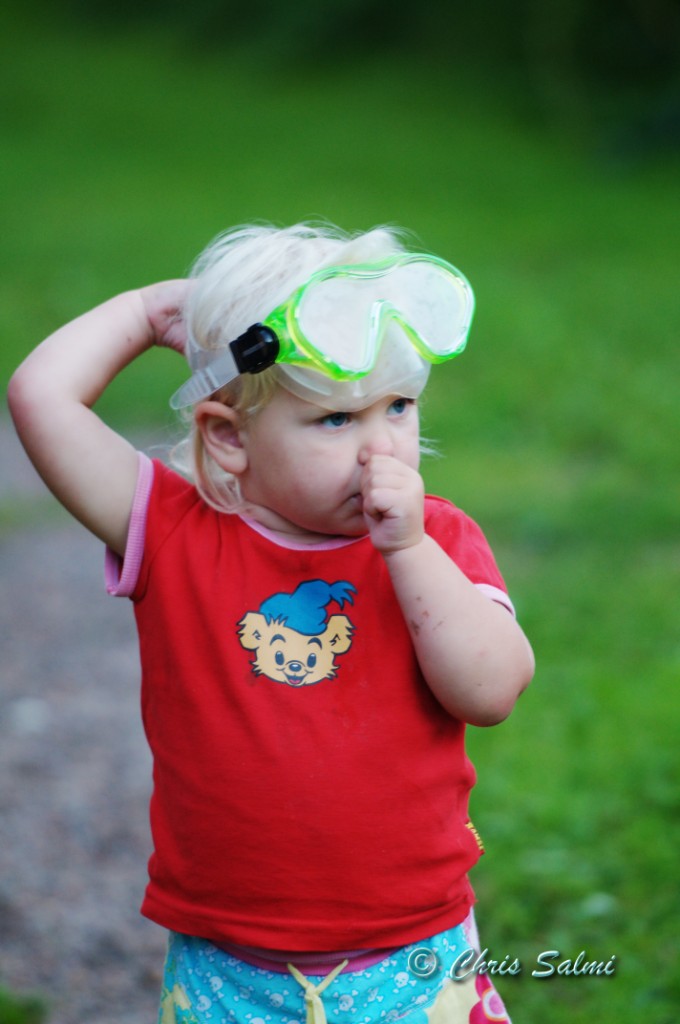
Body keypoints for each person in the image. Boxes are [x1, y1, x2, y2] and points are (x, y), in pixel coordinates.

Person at [8, 222, 534, 1024]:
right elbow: (39, 399)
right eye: (335, 420)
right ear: (229, 438)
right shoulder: (176, 532)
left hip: (414, 955)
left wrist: (409, 549)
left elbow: (491, 689)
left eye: (398, 406)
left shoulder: (439, 540)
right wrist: (148, 312)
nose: (379, 446)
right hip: (228, 968)